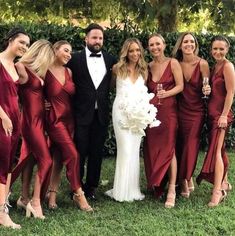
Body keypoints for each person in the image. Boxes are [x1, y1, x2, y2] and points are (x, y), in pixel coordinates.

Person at [105, 38, 159, 202]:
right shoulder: (117, 68)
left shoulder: (144, 70)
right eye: (131, 51)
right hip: (121, 113)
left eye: (137, 50)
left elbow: (145, 91)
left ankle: (133, 190)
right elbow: (109, 88)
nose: (135, 53)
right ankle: (121, 191)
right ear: (126, 53)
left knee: (135, 150)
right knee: (125, 149)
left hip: (138, 115)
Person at [67, 23, 116, 200]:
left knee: (96, 152)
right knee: (78, 151)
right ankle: (76, 186)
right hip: (80, 113)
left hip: (101, 114)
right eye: (94, 37)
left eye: (100, 38)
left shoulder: (111, 60)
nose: (97, 41)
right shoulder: (74, 59)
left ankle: (91, 187)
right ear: (86, 38)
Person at [44, 40, 92, 211]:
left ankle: (52, 195)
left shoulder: (69, 71)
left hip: (69, 120)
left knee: (58, 158)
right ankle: (79, 194)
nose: (69, 54)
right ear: (55, 50)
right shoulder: (44, 70)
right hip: (54, 120)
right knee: (73, 155)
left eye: (70, 52)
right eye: (65, 50)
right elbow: (31, 90)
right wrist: (41, 103)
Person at [11, 39, 54, 219]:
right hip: (29, 123)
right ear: (42, 54)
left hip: (38, 120)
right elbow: (8, 89)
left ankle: (23, 198)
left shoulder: (35, 72)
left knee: (28, 159)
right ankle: (35, 202)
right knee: (46, 160)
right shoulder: (20, 66)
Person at [144, 33, 183, 208]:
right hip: (152, 114)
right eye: (151, 45)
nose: (155, 47)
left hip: (168, 112)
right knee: (153, 148)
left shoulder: (173, 63)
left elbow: (180, 86)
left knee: (169, 150)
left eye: (157, 44)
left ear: (164, 45)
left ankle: (172, 190)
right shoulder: (147, 66)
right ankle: (158, 183)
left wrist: (166, 94)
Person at [196, 36, 235, 207]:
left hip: (221, 115)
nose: (217, 52)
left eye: (221, 49)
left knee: (217, 151)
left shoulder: (228, 66)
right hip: (211, 114)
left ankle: (218, 191)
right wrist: (207, 89)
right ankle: (225, 181)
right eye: (215, 49)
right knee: (220, 148)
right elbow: (216, 91)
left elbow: (231, 93)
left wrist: (224, 115)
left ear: (227, 49)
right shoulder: (214, 67)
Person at [172, 32, 210, 198]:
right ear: (180, 45)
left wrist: (207, 90)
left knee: (191, 144)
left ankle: (186, 178)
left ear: (195, 44)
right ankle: (183, 179)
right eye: (185, 41)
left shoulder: (202, 64)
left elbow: (208, 88)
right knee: (179, 143)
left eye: (192, 41)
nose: (189, 44)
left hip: (196, 111)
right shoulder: (176, 64)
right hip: (179, 109)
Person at [0, 27, 29, 229]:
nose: (24, 47)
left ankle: (3, 206)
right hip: (2, 120)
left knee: (9, 164)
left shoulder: (17, 65)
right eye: (21, 42)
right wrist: (3, 116)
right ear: (10, 40)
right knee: (1, 165)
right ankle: (2, 214)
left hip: (14, 121)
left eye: (27, 45)